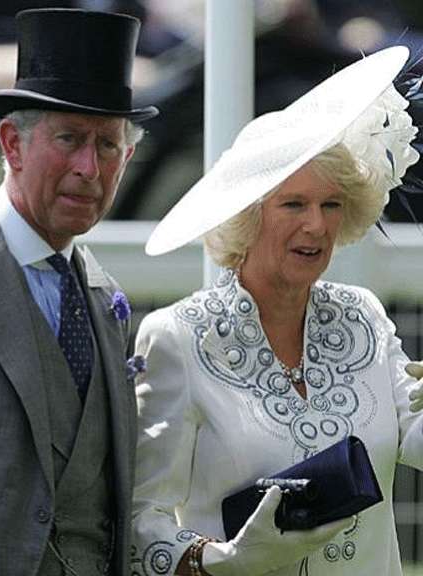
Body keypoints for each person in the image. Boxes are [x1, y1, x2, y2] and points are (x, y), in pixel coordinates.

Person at [130, 46, 423, 576]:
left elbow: (415, 437)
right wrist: (217, 560)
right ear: (246, 217)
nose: (316, 225)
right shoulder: (177, 337)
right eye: (294, 204)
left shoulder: (363, 316)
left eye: (331, 205)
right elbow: (139, 519)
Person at [0, 9, 158, 576]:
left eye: (107, 145)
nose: (88, 167)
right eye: (69, 138)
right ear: (12, 144)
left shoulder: (104, 296)